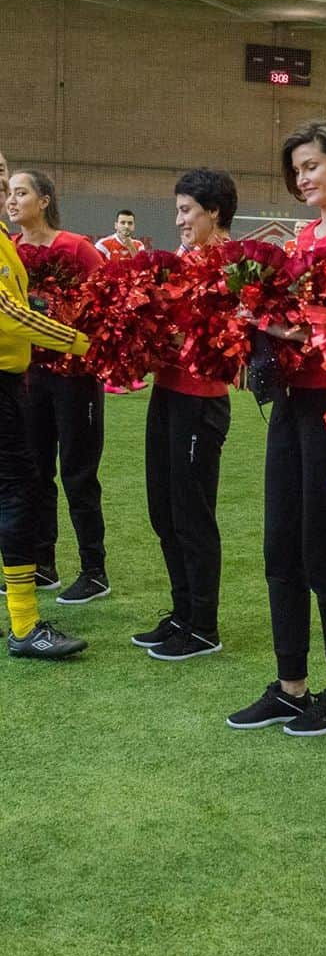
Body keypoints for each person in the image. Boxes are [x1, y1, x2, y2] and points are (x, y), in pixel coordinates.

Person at [227, 119, 326, 736]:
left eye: (312, 165)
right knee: (280, 544)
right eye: (297, 169)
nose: (302, 177)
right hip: (290, 402)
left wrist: (288, 327)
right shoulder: (307, 233)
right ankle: (291, 684)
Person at [132, 169, 235, 661]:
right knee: (163, 511)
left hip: (201, 401)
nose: (179, 220)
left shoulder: (235, 266)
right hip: (167, 393)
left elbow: (231, 345)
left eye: (187, 210)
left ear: (214, 211)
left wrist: (175, 340)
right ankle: (182, 614)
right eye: (177, 210)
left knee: (193, 515)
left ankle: (204, 626)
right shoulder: (182, 262)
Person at [7, 170, 111, 606]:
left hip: (76, 377)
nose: (12, 201)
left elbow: (111, 299)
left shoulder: (77, 247)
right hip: (31, 378)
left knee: (78, 473)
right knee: (34, 471)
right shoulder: (10, 250)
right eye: (9, 193)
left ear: (45, 200)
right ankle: (42, 562)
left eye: (22, 192)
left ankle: (94, 570)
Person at [0, 173, 90, 658]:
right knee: (18, 492)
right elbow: (10, 314)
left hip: (15, 380)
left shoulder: (5, 241)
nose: (2, 183)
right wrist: (80, 340)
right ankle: (24, 625)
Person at [96, 210, 149, 393]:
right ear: (115, 225)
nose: (126, 227)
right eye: (123, 223)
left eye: (129, 223)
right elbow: (96, 271)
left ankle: (131, 378)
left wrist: (130, 246)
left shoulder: (138, 245)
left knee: (132, 340)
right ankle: (109, 382)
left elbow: (143, 266)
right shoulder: (104, 245)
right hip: (111, 301)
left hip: (132, 301)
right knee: (113, 341)